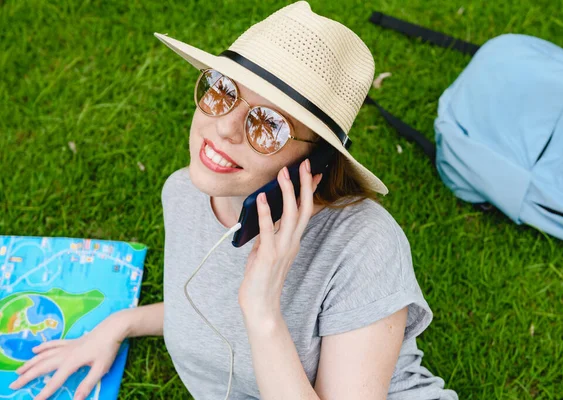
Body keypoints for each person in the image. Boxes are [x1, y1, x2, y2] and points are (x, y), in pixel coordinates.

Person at [10, 2, 458, 399]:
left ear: (315, 159)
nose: (224, 127)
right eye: (221, 90)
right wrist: (119, 324)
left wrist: (263, 307)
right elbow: (206, 305)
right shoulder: (183, 193)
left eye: (268, 125)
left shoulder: (364, 246)